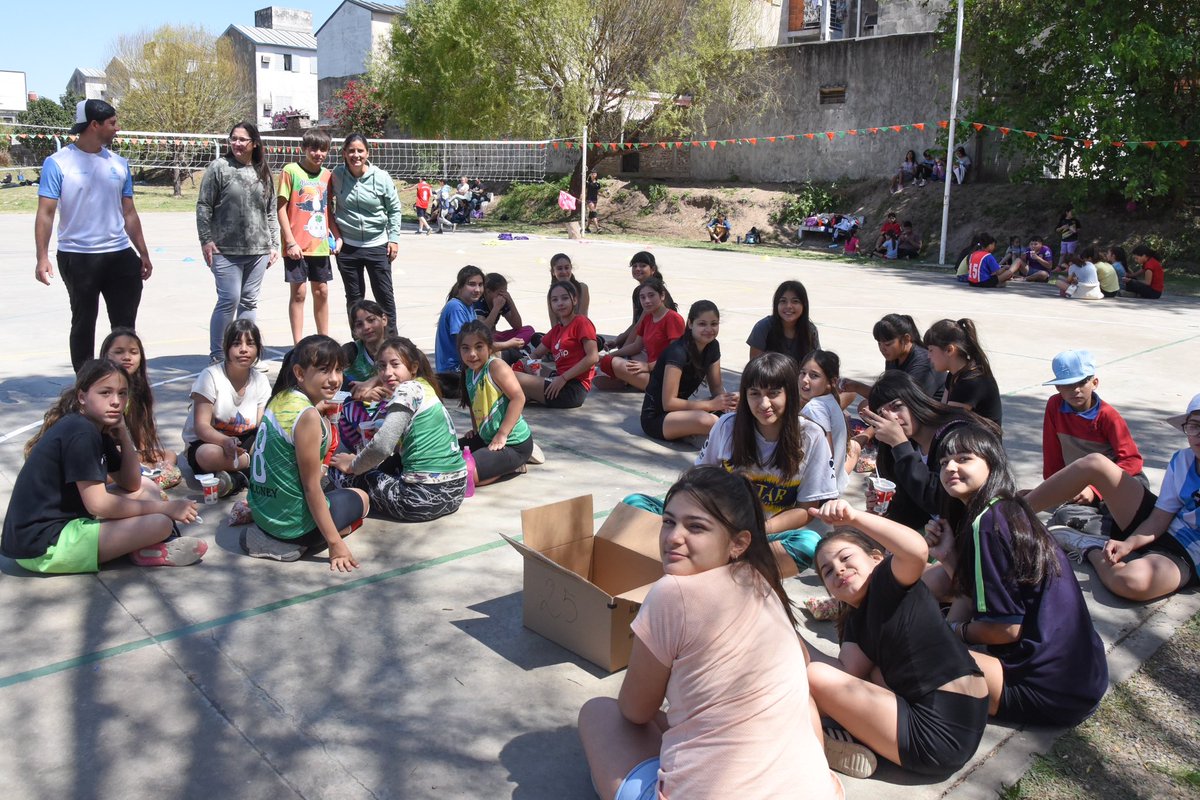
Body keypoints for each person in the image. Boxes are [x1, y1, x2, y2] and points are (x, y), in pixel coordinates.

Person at [577, 466, 843, 800]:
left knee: (600, 712)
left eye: (696, 527)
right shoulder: (760, 579)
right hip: (814, 791)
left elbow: (635, 710)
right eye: (669, 521)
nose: (673, 537)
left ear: (738, 543)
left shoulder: (671, 594)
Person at [923, 424, 1109, 726]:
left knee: (913, 650)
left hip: (1048, 691)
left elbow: (1004, 630)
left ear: (992, 464)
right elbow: (977, 591)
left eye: (964, 458)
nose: (950, 468)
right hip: (1084, 680)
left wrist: (954, 630)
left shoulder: (987, 524)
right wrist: (947, 556)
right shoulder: (1007, 509)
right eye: (944, 463)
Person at [807, 500, 988, 776]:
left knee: (816, 676)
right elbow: (845, 675)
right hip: (958, 721)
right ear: (831, 592)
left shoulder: (889, 584)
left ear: (877, 559)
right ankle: (844, 737)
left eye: (845, 558)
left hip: (939, 733)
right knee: (862, 675)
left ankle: (822, 737)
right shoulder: (856, 621)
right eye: (828, 572)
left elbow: (916, 549)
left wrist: (854, 517)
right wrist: (789, 633)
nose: (839, 570)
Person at [2, 359, 205, 573]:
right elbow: (98, 505)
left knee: (147, 487)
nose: (116, 401)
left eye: (122, 393)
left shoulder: (96, 426)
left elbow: (132, 483)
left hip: (55, 531)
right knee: (161, 523)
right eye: (105, 393)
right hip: (44, 546)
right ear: (82, 397)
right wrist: (167, 508)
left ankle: (144, 544)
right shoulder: (81, 432)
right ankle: (149, 546)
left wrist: (124, 435)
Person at [1025, 393, 1200, 603]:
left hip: (1188, 554)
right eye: (1194, 425)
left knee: (1129, 582)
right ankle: (1006, 514)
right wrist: (1130, 543)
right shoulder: (1183, 459)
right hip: (1161, 526)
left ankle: (1090, 547)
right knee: (1095, 464)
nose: (1199, 434)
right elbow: (1160, 517)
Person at [35, 99, 154, 371]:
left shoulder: (119, 164)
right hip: (78, 256)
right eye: (112, 123)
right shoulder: (58, 163)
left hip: (119, 254)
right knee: (84, 322)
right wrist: (42, 257)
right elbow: (45, 213)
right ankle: (86, 385)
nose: (118, 128)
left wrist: (143, 252)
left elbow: (129, 213)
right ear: (94, 124)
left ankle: (126, 383)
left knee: (124, 326)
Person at [245, 335, 369, 568]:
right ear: (300, 373)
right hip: (291, 528)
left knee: (327, 485)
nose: (334, 379)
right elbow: (311, 487)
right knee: (361, 498)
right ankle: (305, 542)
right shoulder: (308, 417)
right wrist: (335, 544)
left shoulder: (280, 398)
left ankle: (273, 535)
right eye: (324, 370)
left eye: (338, 370)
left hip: (263, 514)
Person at [697, 353, 838, 532]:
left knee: (807, 544)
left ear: (790, 394)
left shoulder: (812, 436)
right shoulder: (726, 426)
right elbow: (700, 480)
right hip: (727, 524)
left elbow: (806, 509)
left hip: (775, 533)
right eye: (755, 393)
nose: (764, 404)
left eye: (773, 393)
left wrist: (761, 530)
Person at [331, 337, 467, 521]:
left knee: (337, 470)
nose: (387, 373)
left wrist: (353, 465)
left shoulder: (407, 391)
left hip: (421, 500)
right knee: (381, 465)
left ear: (413, 367)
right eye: (381, 366)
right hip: (456, 492)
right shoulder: (425, 386)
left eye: (395, 365)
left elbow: (381, 447)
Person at [197, 122, 280, 363]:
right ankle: (218, 355)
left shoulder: (262, 170)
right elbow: (204, 205)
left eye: (243, 139)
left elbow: (271, 210)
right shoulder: (219, 168)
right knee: (229, 299)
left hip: (258, 250)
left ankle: (246, 353)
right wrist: (206, 240)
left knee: (248, 302)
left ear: (254, 143)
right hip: (225, 250)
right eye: (233, 138)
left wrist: (274, 244)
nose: (237, 144)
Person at [863, 371, 980, 531]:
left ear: (915, 400)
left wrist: (900, 445)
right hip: (929, 534)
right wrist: (882, 505)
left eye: (897, 407)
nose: (892, 419)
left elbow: (942, 501)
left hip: (967, 533)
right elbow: (908, 505)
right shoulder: (898, 447)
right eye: (882, 414)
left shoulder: (956, 434)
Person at [181, 320, 271, 497]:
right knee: (207, 455)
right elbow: (202, 427)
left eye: (250, 344)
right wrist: (224, 442)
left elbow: (262, 424)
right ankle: (250, 468)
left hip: (244, 441)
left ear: (258, 349)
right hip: (210, 441)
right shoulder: (210, 376)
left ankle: (235, 477)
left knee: (274, 448)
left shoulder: (260, 381)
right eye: (237, 343)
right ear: (226, 348)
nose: (243, 349)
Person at [331, 133, 402, 336]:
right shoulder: (336, 176)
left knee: (385, 297)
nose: (356, 155)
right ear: (344, 153)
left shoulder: (381, 177)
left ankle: (391, 343)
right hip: (348, 248)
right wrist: (335, 235)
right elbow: (326, 206)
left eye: (360, 150)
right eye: (351, 151)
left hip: (377, 245)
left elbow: (395, 210)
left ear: (367, 153)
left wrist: (394, 239)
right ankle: (360, 347)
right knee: (354, 300)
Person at [640, 300, 736, 441]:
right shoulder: (678, 352)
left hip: (682, 412)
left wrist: (727, 405)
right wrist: (711, 405)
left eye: (714, 324)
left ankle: (699, 432)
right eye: (702, 324)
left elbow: (716, 388)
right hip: (659, 417)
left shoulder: (713, 346)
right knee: (707, 421)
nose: (709, 329)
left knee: (739, 404)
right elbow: (668, 403)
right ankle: (695, 434)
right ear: (690, 324)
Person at [456, 322, 535, 485]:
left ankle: (515, 465)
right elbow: (473, 403)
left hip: (513, 444)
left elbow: (518, 398)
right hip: (487, 439)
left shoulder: (495, 366)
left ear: (489, 347)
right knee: (446, 457)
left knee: (465, 475)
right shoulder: (468, 371)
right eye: (465, 348)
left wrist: (502, 434)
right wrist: (476, 430)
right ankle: (500, 464)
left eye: (479, 347)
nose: (472, 354)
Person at [278, 129, 338, 344]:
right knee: (299, 293)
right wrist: (290, 241)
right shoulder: (290, 171)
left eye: (323, 149)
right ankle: (298, 344)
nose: (318, 153)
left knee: (321, 291)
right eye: (313, 148)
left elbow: (328, 210)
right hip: (296, 246)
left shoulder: (327, 176)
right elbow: (280, 209)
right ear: (304, 149)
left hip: (319, 245)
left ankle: (324, 340)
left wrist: (336, 236)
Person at [99, 328, 179, 487]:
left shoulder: (136, 390)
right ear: (106, 355)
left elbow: (143, 446)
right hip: (99, 456)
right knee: (112, 472)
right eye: (119, 352)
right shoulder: (99, 390)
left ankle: (147, 476)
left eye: (133, 352)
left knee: (168, 456)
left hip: (124, 455)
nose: (127, 357)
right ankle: (144, 477)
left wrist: (146, 459)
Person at [514, 281, 599, 409]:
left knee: (509, 376)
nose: (560, 303)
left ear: (574, 300)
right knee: (521, 364)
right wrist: (532, 368)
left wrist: (563, 378)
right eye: (555, 300)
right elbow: (536, 353)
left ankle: (523, 394)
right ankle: (526, 393)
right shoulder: (556, 330)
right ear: (551, 305)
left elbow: (593, 357)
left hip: (571, 389)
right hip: (558, 379)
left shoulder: (582, 322)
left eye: (565, 298)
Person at [600, 277, 685, 392]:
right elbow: (636, 346)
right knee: (621, 357)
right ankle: (628, 379)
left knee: (613, 363)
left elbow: (675, 356)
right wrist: (612, 354)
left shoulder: (673, 318)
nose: (647, 301)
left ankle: (628, 380)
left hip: (667, 375)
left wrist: (648, 367)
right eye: (642, 297)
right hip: (652, 365)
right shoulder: (648, 317)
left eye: (651, 295)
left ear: (662, 296)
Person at [841, 313, 944, 401]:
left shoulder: (923, 364)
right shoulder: (893, 357)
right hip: (907, 407)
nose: (882, 348)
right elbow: (887, 393)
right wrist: (855, 386)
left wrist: (859, 387)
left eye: (888, 344)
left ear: (906, 339)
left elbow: (908, 403)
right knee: (865, 406)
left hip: (929, 415)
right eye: (879, 343)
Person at [924, 318, 1003, 426]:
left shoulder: (971, 382)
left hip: (979, 440)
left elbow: (947, 424)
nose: (928, 356)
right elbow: (941, 412)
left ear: (949, 350)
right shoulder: (954, 374)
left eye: (931, 350)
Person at [338, 299, 393, 450]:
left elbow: (415, 381)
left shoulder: (399, 349)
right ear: (354, 331)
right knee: (349, 407)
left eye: (371, 320)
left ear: (384, 319)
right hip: (358, 423)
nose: (366, 327)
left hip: (391, 416)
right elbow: (334, 388)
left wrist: (373, 381)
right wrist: (363, 395)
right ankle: (371, 451)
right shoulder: (351, 352)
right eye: (359, 324)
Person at [800, 350, 858, 493]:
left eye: (814, 376)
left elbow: (827, 456)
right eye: (802, 373)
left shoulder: (814, 408)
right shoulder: (829, 401)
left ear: (832, 382)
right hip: (835, 485)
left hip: (818, 492)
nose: (805, 380)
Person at [434, 265, 486, 393]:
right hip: (453, 372)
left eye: (480, 285)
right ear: (461, 286)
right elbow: (466, 344)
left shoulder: (468, 305)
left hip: (464, 365)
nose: (477, 289)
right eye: (472, 284)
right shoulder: (456, 307)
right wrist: (504, 345)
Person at [611, 252, 677, 350]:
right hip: (644, 337)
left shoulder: (655, 293)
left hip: (657, 341)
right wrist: (616, 341)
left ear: (653, 269)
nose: (637, 269)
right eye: (634, 266)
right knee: (621, 339)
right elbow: (635, 323)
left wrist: (622, 351)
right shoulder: (637, 292)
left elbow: (639, 326)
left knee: (619, 359)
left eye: (643, 266)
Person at [746, 280, 820, 364]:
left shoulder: (810, 330)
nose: (788, 306)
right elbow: (754, 368)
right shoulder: (762, 327)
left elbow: (815, 364)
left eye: (795, 301)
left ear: (804, 305)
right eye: (783, 301)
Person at [475, 273, 535, 351]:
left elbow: (517, 326)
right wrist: (496, 308)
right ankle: (507, 348)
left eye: (505, 292)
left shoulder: (502, 301)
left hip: (495, 337)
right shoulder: (479, 303)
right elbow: (482, 330)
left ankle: (505, 348)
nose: (503, 295)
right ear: (488, 292)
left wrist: (510, 301)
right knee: (482, 343)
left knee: (528, 330)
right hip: (482, 338)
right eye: (500, 292)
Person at [547, 253, 590, 320]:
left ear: (571, 269)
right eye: (559, 269)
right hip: (563, 329)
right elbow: (554, 323)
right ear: (553, 272)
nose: (564, 271)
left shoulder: (582, 288)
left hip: (580, 328)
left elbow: (583, 318)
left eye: (566, 268)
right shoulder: (552, 294)